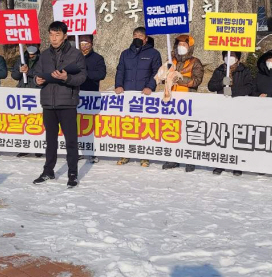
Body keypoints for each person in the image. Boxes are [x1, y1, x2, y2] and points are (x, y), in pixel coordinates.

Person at [32, 21, 87, 188]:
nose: (53, 38)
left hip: (67, 103)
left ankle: (72, 173)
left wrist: (66, 78)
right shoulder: (44, 54)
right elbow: (36, 72)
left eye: (57, 35)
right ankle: (48, 170)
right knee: (50, 140)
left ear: (65, 36)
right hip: (48, 102)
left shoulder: (76, 54)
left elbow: (82, 77)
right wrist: (37, 79)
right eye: (51, 34)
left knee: (71, 141)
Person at [114, 26, 162, 167]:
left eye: (140, 36)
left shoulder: (154, 54)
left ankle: (144, 155)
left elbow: (157, 72)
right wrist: (118, 85)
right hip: (127, 94)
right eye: (135, 35)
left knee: (143, 125)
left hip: (144, 95)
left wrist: (150, 86)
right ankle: (125, 153)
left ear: (146, 39)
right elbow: (120, 70)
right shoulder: (125, 54)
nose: (137, 38)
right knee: (127, 124)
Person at [161, 34, 204, 172]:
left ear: (190, 47)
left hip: (187, 100)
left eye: (184, 45)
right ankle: (173, 158)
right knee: (173, 130)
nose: (181, 47)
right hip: (171, 100)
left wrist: (178, 78)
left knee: (188, 130)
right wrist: (164, 75)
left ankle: (190, 160)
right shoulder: (170, 60)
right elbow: (162, 78)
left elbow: (197, 81)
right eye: (179, 44)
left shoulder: (195, 62)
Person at [208, 50, 253, 176]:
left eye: (232, 55)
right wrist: (222, 83)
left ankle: (237, 164)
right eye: (227, 55)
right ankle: (221, 163)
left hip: (239, 107)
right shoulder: (219, 70)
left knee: (236, 136)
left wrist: (233, 91)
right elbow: (211, 86)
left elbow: (250, 87)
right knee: (222, 135)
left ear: (238, 58)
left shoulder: (244, 70)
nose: (229, 58)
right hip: (222, 108)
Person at [78, 35, 107, 163]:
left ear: (91, 44)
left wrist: (86, 75)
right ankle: (79, 150)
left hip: (91, 95)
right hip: (76, 94)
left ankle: (93, 151)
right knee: (78, 124)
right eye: (81, 43)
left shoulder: (98, 58)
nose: (84, 45)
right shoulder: (75, 57)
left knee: (91, 125)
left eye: (86, 43)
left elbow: (101, 74)